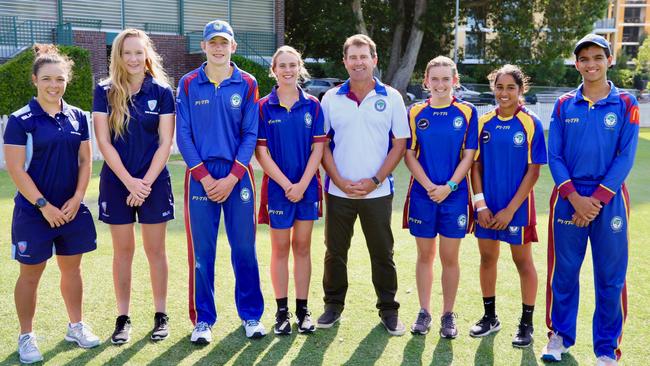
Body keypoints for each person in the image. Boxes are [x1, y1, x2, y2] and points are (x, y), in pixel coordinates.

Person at [542, 34, 639, 366]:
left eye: (598, 57)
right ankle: (559, 336)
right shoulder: (563, 103)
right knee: (563, 273)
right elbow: (554, 155)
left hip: (608, 200)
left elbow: (626, 157)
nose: (591, 64)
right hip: (569, 197)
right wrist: (575, 198)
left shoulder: (626, 103)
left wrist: (595, 200)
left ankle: (606, 348)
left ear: (609, 60)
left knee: (611, 277)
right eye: (584, 59)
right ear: (576, 63)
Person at [4, 44, 100, 364]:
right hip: (34, 213)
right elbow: (16, 168)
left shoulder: (76, 116)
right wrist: (44, 205)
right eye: (46, 79)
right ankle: (26, 336)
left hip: (71, 210)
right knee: (31, 274)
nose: (53, 85)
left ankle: (75, 326)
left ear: (66, 81)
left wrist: (76, 199)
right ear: (35, 80)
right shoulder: (21, 120)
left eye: (59, 79)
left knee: (72, 271)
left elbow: (85, 161)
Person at [176, 19, 265, 343]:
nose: (217, 48)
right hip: (200, 177)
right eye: (212, 42)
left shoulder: (248, 82)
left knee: (244, 248)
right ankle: (203, 320)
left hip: (237, 176)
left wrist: (231, 177)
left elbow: (250, 133)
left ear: (233, 47)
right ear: (203, 47)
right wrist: (203, 176)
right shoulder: (188, 83)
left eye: (223, 42)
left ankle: (252, 315)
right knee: (202, 252)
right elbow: (183, 134)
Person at [317, 34, 410, 336]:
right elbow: (323, 146)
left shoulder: (392, 97)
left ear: (374, 60)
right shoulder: (331, 98)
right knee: (335, 252)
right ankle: (333, 305)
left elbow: (399, 145)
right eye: (352, 57)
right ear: (345, 62)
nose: (358, 62)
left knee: (383, 253)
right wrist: (341, 180)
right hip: (338, 191)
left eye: (363, 56)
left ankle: (388, 309)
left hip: (378, 192)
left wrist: (374, 181)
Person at [92, 28, 175, 344]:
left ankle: (160, 315)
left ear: (147, 54)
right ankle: (123, 318)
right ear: (118, 56)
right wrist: (129, 182)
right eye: (127, 52)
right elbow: (103, 140)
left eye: (138, 52)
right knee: (123, 252)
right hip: (117, 183)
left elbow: (166, 142)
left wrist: (145, 184)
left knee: (156, 251)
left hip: (153, 182)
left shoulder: (163, 91)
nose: (133, 58)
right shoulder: (105, 91)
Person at [469, 64, 546, 347]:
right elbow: (475, 166)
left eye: (510, 87)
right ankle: (490, 317)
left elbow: (534, 171)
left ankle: (526, 324)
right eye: (499, 87)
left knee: (522, 262)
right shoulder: (483, 122)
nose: (504, 93)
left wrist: (510, 210)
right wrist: (481, 205)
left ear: (521, 90)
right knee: (487, 259)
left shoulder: (530, 123)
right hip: (487, 209)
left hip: (517, 209)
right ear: (493, 89)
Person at [402, 56, 477, 338]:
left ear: (454, 81)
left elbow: (469, 156)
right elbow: (409, 154)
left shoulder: (467, 112)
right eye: (435, 79)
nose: (441, 84)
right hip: (423, 195)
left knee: (449, 257)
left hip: (454, 196)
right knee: (425, 255)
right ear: (426, 82)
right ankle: (424, 311)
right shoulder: (416, 112)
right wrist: (430, 185)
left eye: (446, 79)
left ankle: (448, 314)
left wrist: (449, 187)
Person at [256, 45, 326, 335]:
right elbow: (261, 153)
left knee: (302, 247)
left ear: (300, 69)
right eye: (282, 65)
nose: (288, 70)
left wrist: (301, 185)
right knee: (280, 248)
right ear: (274, 70)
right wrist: (287, 185)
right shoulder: (262, 106)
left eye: (293, 65)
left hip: (307, 189)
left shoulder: (313, 105)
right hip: (278, 190)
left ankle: (303, 310)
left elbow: (318, 149)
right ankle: (282, 312)